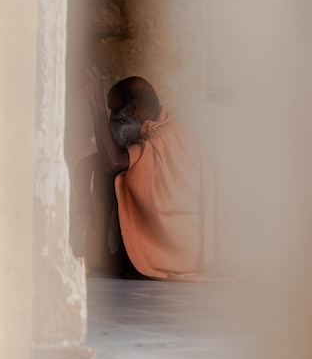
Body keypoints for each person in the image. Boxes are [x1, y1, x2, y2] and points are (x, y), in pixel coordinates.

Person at [73, 68, 217, 280]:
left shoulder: (162, 138)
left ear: (135, 110)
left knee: (112, 172)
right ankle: (102, 260)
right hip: (172, 251)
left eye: (114, 113)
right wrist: (84, 207)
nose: (111, 120)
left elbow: (113, 162)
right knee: (109, 171)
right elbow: (85, 165)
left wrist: (96, 106)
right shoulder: (155, 135)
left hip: (178, 256)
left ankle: (107, 261)